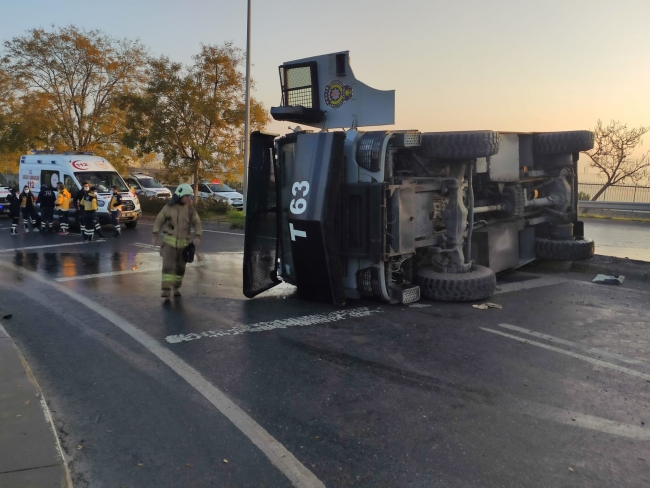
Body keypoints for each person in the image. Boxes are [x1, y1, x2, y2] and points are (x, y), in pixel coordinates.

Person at [152, 184, 202, 299]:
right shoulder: (168, 208)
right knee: (168, 266)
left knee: (180, 268)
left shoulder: (190, 210)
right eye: (187, 196)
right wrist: (155, 233)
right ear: (180, 195)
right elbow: (159, 220)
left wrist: (198, 235)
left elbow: (197, 222)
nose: (189, 198)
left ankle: (176, 287)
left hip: (184, 245)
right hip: (168, 244)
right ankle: (166, 289)